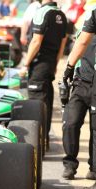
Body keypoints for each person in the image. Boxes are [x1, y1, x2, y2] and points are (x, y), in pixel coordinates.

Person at [19, 0, 68, 150]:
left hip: (39, 65)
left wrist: (25, 64)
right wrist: (55, 63)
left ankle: (36, 143)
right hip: (50, 64)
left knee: (36, 104)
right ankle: (43, 140)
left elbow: (36, 41)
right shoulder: (61, 14)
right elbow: (63, 43)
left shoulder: (42, 12)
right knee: (46, 100)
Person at [62, 4, 96, 189]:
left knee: (95, 128)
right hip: (80, 80)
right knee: (70, 122)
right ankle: (70, 164)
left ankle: (94, 169)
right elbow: (78, 44)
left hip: (95, 81)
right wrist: (69, 71)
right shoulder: (85, 23)